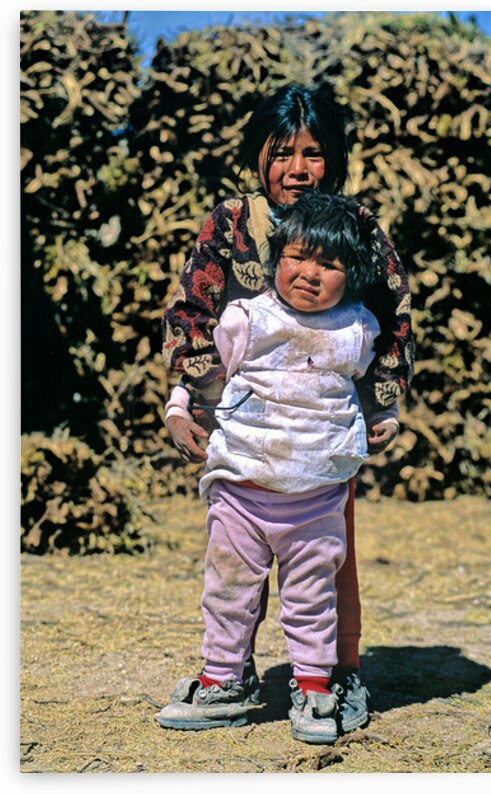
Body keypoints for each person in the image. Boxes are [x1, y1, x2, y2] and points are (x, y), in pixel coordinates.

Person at [161, 83, 414, 732]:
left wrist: (382, 404)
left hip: (323, 430)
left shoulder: (353, 227)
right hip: (245, 430)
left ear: (334, 157)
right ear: (257, 157)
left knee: (328, 561)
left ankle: (336, 678)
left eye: (312, 153)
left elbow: (389, 318)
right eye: (280, 154)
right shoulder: (229, 224)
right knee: (233, 565)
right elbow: (194, 311)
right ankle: (227, 675)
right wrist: (185, 402)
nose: (296, 170)